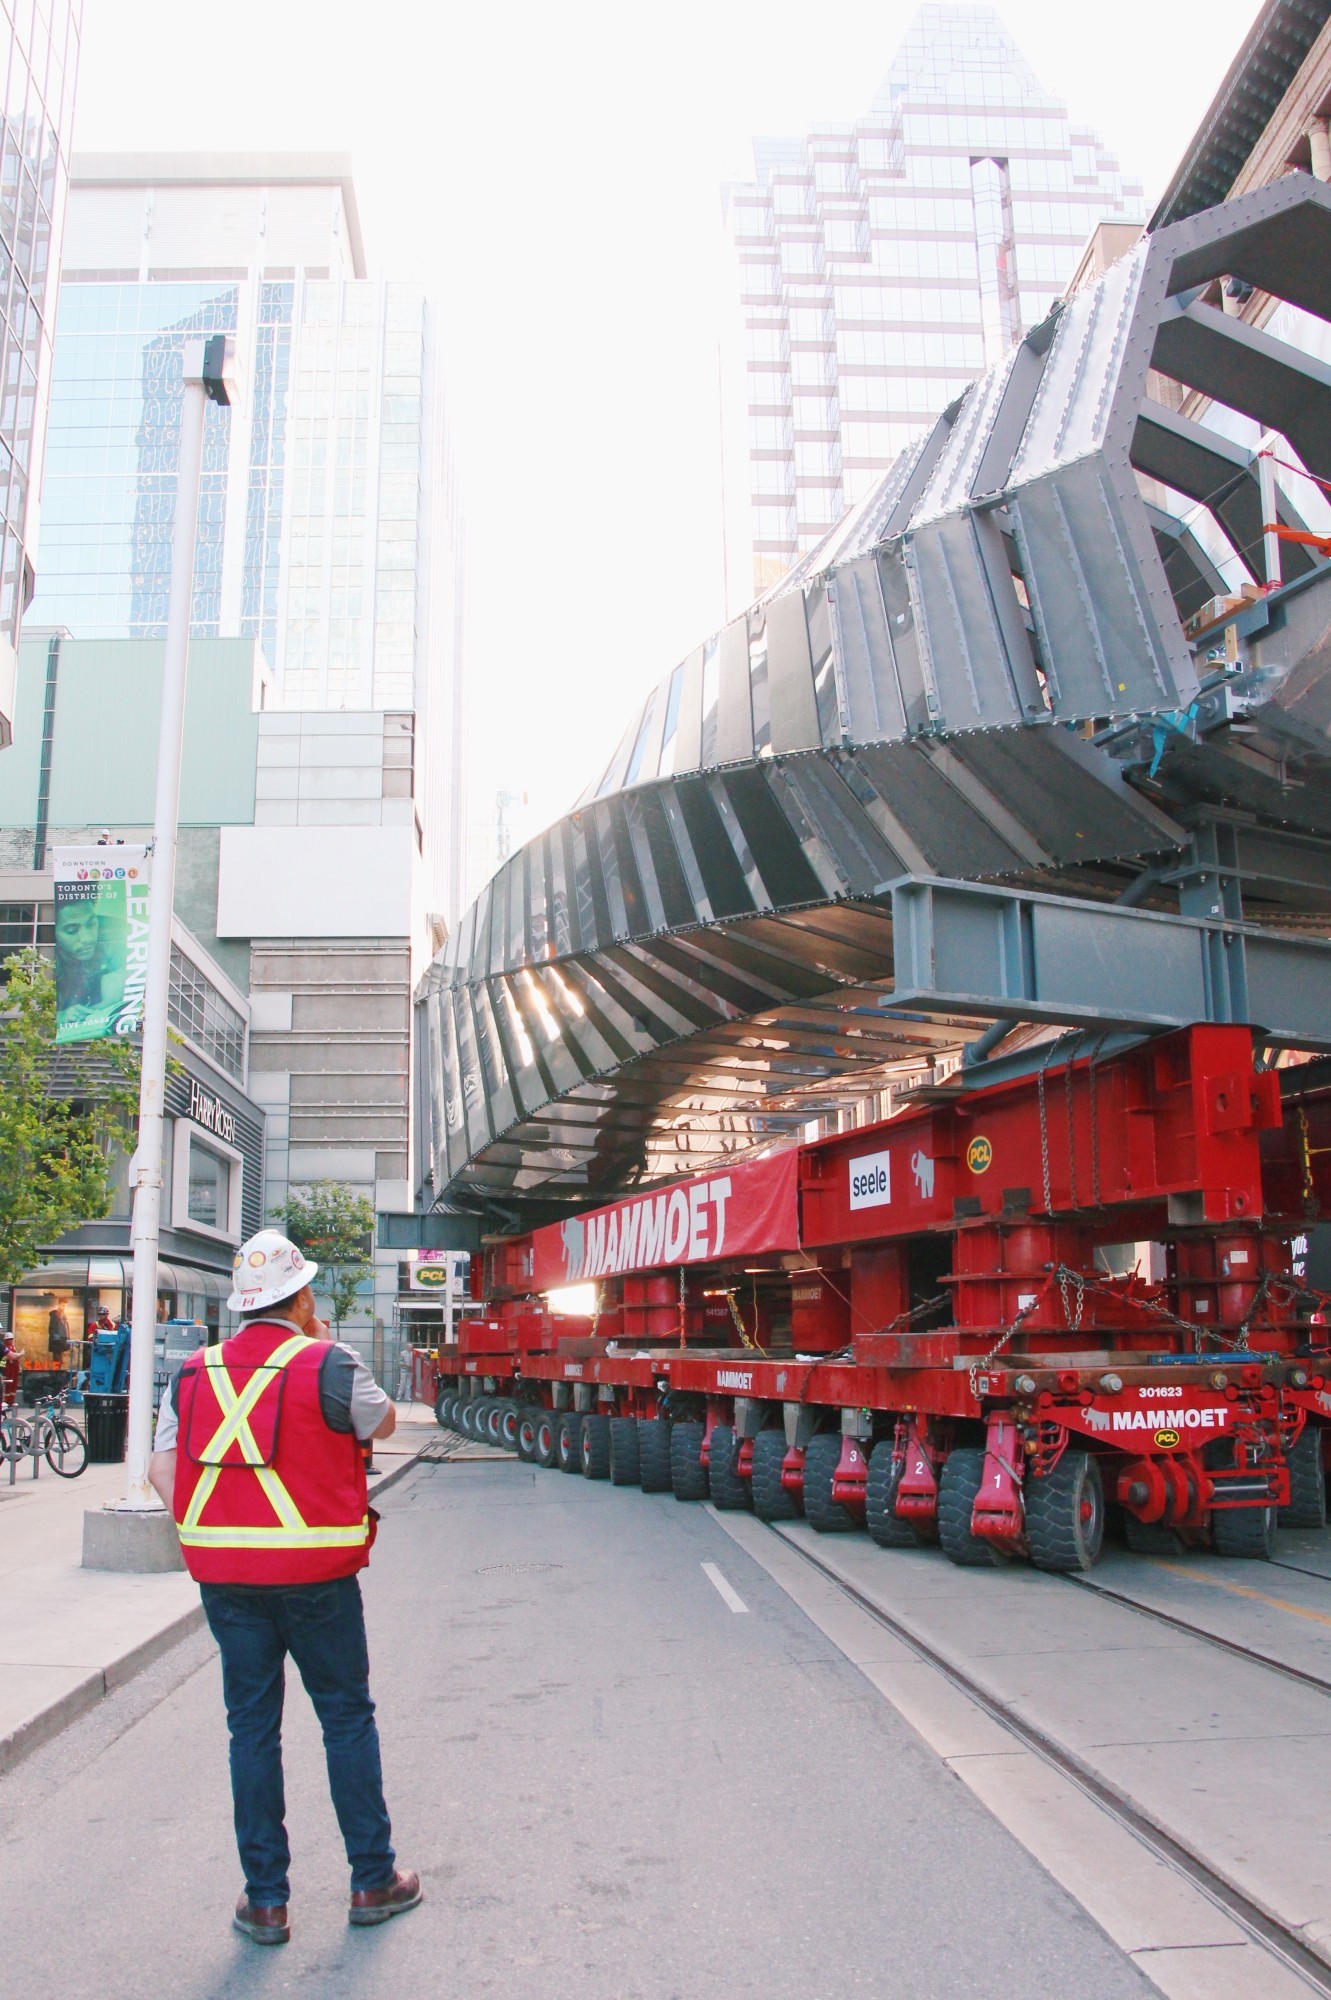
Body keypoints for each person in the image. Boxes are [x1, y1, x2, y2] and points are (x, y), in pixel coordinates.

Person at [148, 1229, 419, 1946]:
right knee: (345, 1720)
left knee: (251, 1730)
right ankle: (372, 1880)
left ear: (241, 1306)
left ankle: (265, 1901)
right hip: (319, 1579)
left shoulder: (192, 1372)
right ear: (300, 1298)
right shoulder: (331, 1360)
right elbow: (383, 1421)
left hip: (227, 1582)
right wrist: (322, 1346)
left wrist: (214, 1531)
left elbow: (162, 1471)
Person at [47, 1298, 71, 1367]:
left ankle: (58, 1374)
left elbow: (66, 1328)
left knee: (60, 1360)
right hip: (57, 1341)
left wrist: (67, 1338)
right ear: (59, 1304)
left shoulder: (63, 1315)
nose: (64, 1307)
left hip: (62, 1339)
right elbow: (52, 1328)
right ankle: (56, 1375)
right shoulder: (55, 1315)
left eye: (65, 1306)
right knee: (56, 1360)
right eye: (63, 1305)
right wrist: (57, 1339)